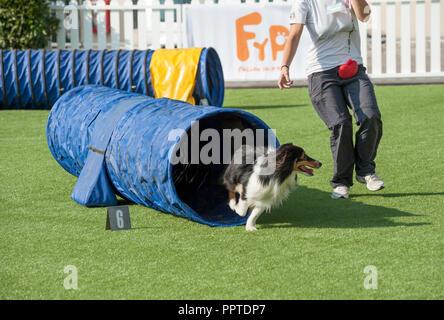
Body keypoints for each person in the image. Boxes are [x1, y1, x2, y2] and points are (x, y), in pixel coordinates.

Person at [278, 0, 385, 199]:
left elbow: (364, 16)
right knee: (341, 123)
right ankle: (341, 182)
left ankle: (366, 171)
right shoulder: (305, 2)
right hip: (321, 74)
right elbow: (294, 34)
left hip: (353, 68)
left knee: (371, 116)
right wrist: (285, 67)